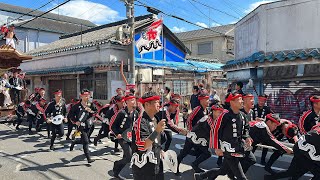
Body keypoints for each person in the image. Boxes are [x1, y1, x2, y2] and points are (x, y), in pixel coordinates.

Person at [196, 92, 256, 180]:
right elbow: (214, 130)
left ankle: (201, 176)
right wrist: (217, 147)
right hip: (229, 150)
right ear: (232, 102)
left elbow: (246, 128)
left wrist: (247, 137)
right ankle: (234, 174)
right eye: (239, 100)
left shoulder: (242, 116)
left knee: (225, 170)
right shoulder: (224, 115)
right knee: (242, 178)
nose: (242, 101)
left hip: (240, 147)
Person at [177, 105, 224, 175]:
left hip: (201, 140)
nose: (220, 114)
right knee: (186, 153)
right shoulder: (208, 119)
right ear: (213, 111)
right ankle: (176, 165)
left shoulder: (215, 119)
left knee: (203, 153)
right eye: (219, 112)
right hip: (193, 137)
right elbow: (212, 132)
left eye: (221, 113)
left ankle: (194, 164)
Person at [131, 92, 166, 180]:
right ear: (147, 104)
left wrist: (160, 150)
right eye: (156, 102)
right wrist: (157, 130)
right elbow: (143, 145)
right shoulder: (141, 122)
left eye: (159, 102)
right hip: (144, 167)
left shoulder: (156, 119)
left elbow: (156, 140)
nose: (159, 104)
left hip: (156, 162)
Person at [111, 94, 138, 178]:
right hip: (122, 137)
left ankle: (116, 173)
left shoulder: (136, 112)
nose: (134, 102)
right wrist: (117, 134)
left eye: (134, 100)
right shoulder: (121, 113)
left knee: (129, 157)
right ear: (127, 102)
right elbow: (112, 125)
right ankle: (117, 164)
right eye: (132, 100)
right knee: (129, 157)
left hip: (131, 137)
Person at [69, 89, 96, 163]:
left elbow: (95, 112)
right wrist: (75, 121)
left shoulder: (91, 104)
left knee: (83, 140)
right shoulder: (76, 106)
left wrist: (91, 112)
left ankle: (74, 142)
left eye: (88, 96)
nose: (87, 97)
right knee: (86, 142)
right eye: (85, 96)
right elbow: (70, 115)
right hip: (81, 126)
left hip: (89, 125)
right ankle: (88, 158)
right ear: (81, 96)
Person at [252, 94, 274, 165]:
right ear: (258, 100)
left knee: (265, 145)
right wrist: (254, 119)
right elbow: (248, 118)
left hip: (263, 130)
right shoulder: (253, 107)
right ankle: (249, 158)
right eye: (260, 100)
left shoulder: (267, 109)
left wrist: (265, 119)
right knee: (253, 145)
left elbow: (273, 117)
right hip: (254, 130)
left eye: (263, 101)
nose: (261, 102)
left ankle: (263, 160)